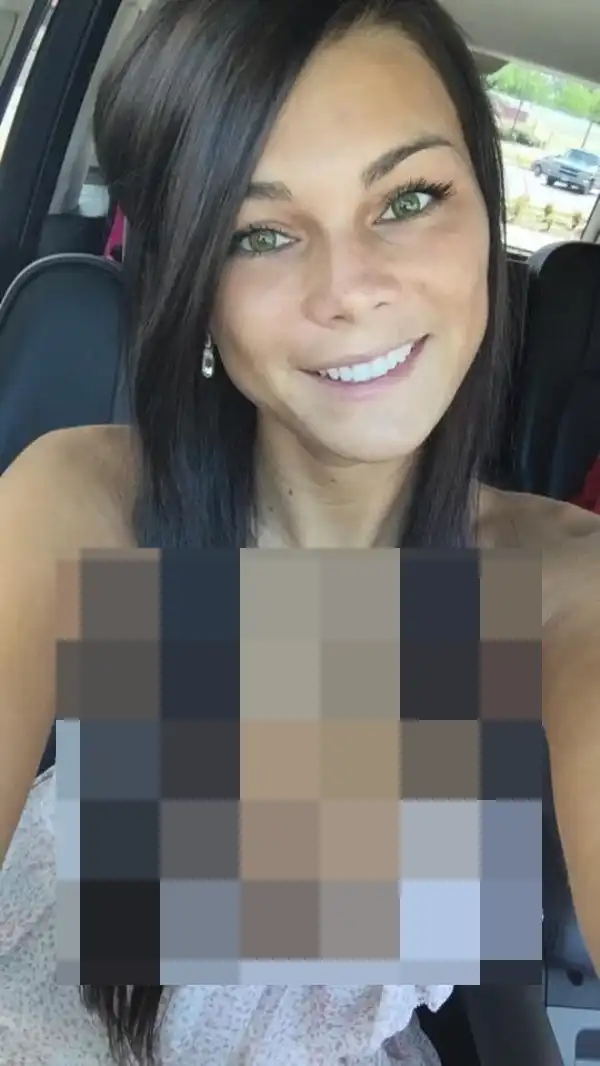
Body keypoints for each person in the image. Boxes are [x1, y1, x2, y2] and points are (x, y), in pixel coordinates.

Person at [0, 0, 599, 1062]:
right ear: (193, 286)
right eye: (261, 234)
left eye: (408, 198)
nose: (350, 290)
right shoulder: (90, 506)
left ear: (484, 208)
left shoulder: (556, 592)